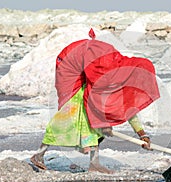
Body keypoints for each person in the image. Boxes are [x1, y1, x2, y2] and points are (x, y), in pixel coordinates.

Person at [30, 28, 160, 174]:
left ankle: (92, 162)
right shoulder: (108, 79)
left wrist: (142, 134)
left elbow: (128, 109)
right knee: (75, 118)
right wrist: (104, 124)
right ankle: (41, 155)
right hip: (70, 65)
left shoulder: (122, 81)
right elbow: (94, 103)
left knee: (93, 120)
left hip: (90, 66)